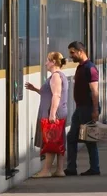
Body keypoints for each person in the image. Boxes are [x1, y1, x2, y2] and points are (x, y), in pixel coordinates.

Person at [25, 52, 69, 177]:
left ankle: (46, 170)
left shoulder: (55, 76)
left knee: (50, 140)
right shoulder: (60, 75)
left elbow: (56, 95)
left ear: (53, 62)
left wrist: (52, 114)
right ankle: (59, 170)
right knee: (58, 140)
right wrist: (35, 89)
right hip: (59, 111)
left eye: (47, 61)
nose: (45, 63)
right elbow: (49, 94)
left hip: (53, 112)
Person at [65, 41, 101, 176]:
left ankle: (95, 168)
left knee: (89, 138)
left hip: (88, 108)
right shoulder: (81, 67)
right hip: (80, 108)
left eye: (72, 52)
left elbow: (95, 91)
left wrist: (95, 110)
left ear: (80, 51)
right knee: (72, 137)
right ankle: (71, 168)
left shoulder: (90, 68)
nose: (71, 56)